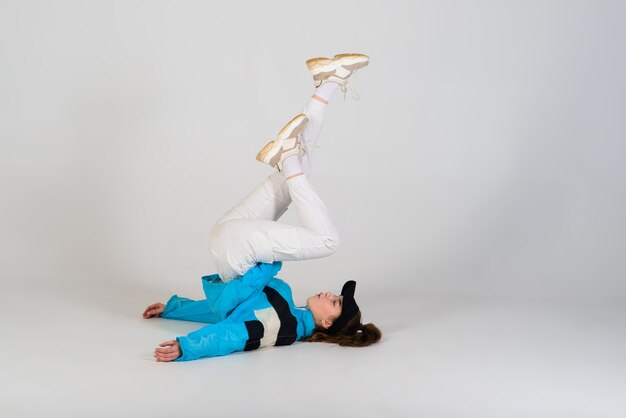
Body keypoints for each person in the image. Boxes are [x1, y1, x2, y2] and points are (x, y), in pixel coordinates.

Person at [142, 53, 381, 362]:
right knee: (296, 177)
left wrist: (189, 347)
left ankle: (287, 157)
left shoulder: (287, 327)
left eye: (334, 302)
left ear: (326, 323)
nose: (328, 294)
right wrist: (174, 309)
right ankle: (327, 83)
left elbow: (236, 334)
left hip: (238, 252)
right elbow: (223, 311)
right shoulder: (288, 306)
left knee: (328, 241)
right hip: (232, 236)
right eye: (336, 295)